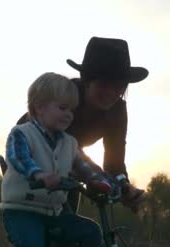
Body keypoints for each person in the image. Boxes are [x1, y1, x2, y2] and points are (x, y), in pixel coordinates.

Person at [0, 72, 116, 247]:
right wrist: (39, 174)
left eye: (71, 109)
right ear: (39, 107)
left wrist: (106, 184)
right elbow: (19, 158)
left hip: (53, 213)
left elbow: (85, 168)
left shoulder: (68, 143)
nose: (69, 115)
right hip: (21, 212)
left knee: (90, 231)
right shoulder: (21, 134)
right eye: (62, 108)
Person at [18, 36, 148, 213]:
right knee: (49, 218)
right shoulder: (66, 97)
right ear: (87, 80)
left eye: (119, 86)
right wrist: (97, 178)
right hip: (31, 156)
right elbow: (65, 146)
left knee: (72, 225)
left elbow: (114, 161)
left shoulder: (117, 109)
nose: (111, 93)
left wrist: (125, 188)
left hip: (68, 164)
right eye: (103, 84)